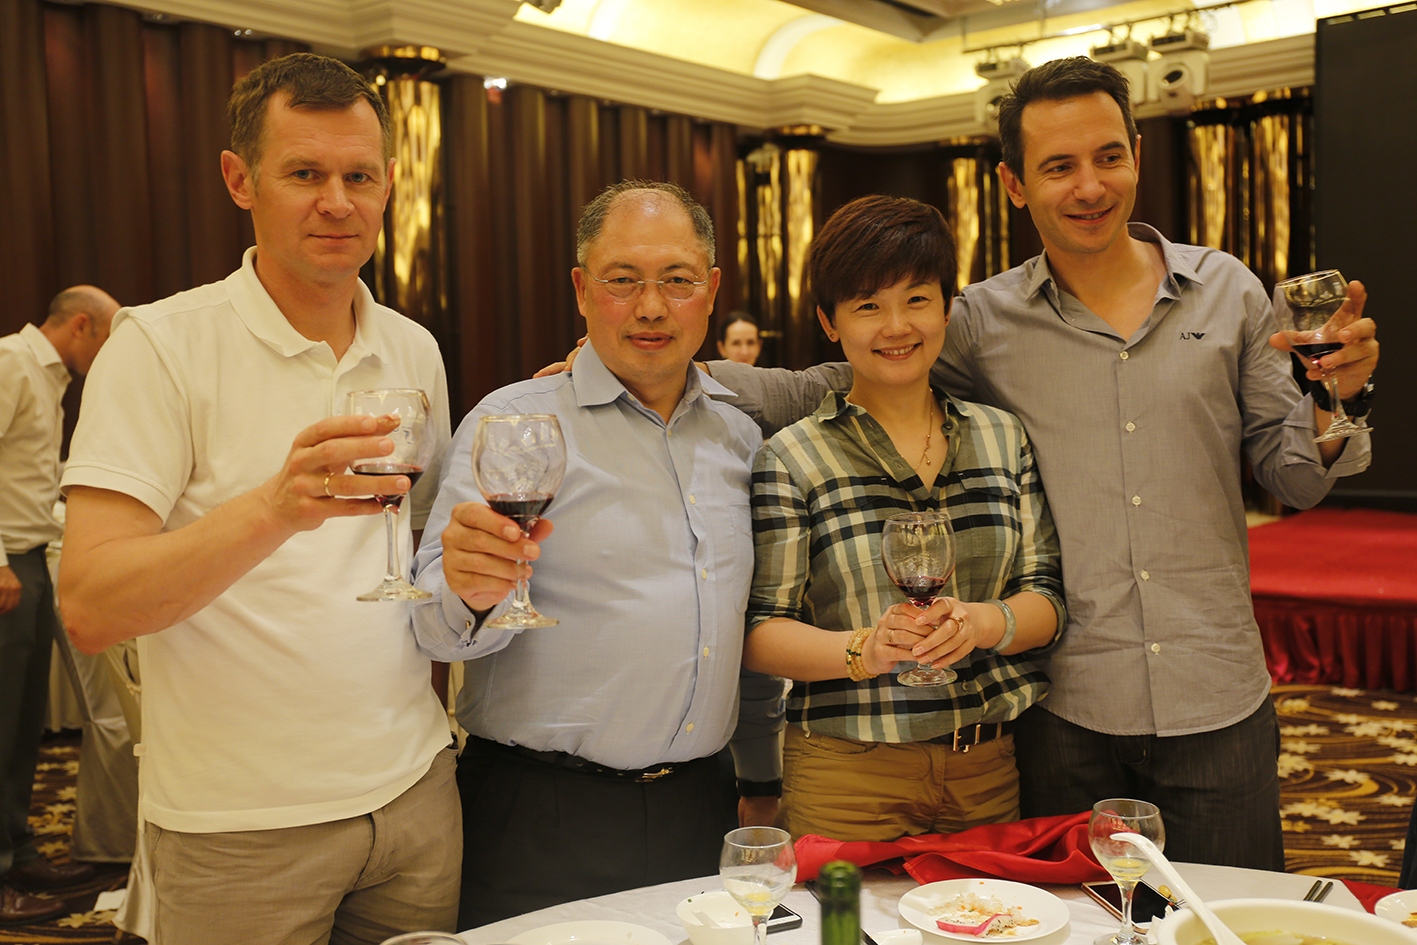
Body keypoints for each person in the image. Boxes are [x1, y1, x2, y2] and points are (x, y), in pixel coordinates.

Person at [704, 57, 1378, 870]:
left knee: (1224, 913)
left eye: (1107, 157)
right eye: (1058, 166)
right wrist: (661, 371)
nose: (1088, 186)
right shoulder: (983, 319)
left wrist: (1337, 396)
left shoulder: (1226, 290)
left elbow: (1294, 474)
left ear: (1136, 156)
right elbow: (832, 379)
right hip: (1062, 709)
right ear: (1014, 185)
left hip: (1214, 691)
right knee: (1067, 918)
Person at [56, 53, 458, 944]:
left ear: (390, 183)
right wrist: (274, 507)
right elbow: (88, 606)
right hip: (237, 826)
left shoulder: (412, 349)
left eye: (359, 177)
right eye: (304, 174)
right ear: (240, 181)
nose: (337, 202)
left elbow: (417, 560)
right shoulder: (158, 347)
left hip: (418, 794)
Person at [410, 180, 780, 929]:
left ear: (711, 291)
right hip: (540, 814)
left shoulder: (742, 438)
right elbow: (434, 632)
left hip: (700, 807)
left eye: (676, 281)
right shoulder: (515, 424)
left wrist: (761, 779)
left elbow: (746, 632)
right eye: (623, 280)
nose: (651, 307)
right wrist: (469, 589)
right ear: (581, 290)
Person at [745, 195, 1065, 842]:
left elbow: (1047, 598)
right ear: (829, 322)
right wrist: (863, 649)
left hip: (986, 768)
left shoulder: (1002, 438)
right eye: (868, 306)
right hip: (845, 772)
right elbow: (760, 634)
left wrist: (982, 623)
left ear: (947, 308)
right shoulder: (792, 456)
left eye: (917, 299)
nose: (896, 326)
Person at [0, 286, 115, 922]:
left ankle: (18, 852)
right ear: (81, 325)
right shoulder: (11, 364)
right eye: (108, 339)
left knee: (22, 721)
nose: (109, 355)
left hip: (31, 558)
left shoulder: (49, 377)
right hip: (7, 563)